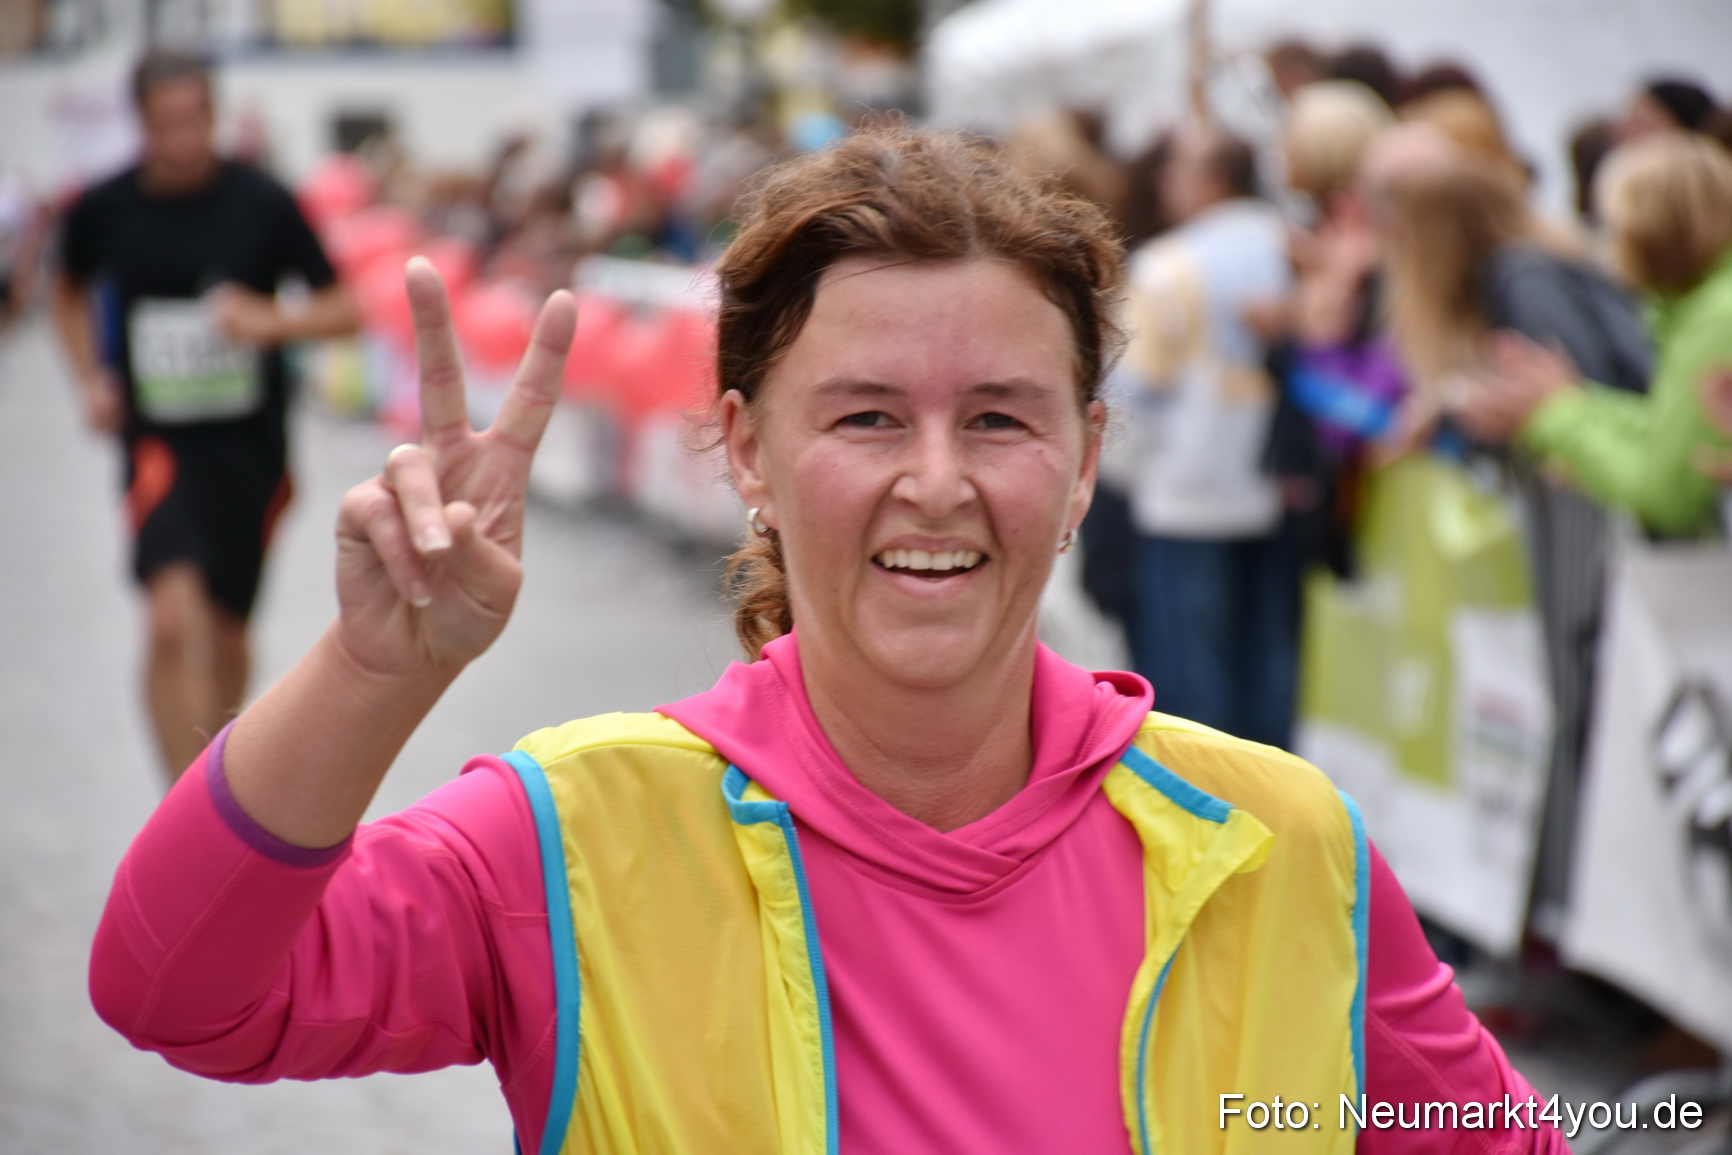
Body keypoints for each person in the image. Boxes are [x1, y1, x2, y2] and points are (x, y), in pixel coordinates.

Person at [89, 126, 1564, 1154]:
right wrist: (372, 671)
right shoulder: (572, 837)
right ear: (744, 449)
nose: (938, 479)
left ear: (1087, 455)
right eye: (865, 416)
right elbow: (174, 991)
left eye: (1000, 415)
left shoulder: (1276, 838)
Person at [52, 50, 359, 780]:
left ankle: (211, 781)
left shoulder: (263, 201)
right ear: (142, 123)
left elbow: (345, 308)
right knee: (167, 619)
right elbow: (64, 291)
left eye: (197, 121)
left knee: (225, 633)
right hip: (158, 445)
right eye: (168, 125)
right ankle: (179, 806)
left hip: (250, 451)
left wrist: (268, 321)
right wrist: (91, 379)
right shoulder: (104, 208)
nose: (185, 140)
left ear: (214, 116)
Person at [1379, 149, 1653, 937]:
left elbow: (1567, 397)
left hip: (1592, 527)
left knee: (1577, 715)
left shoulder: (1524, 280)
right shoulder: (1535, 266)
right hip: (1595, 522)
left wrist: (1476, 406)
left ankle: (1573, 927)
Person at [1119, 124, 1300, 748]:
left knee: (1193, 685)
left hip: (1187, 486)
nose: (1165, 184)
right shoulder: (1298, 251)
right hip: (1284, 483)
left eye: (1179, 170)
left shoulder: (1170, 265)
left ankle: (1212, 817)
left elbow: (1131, 389)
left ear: (1212, 181)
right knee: (1271, 664)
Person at [1454, 132, 1732, 539]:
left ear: (1650, 232)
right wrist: (1571, 405)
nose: (1608, 249)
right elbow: (1670, 431)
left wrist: (1553, 415)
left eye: (1615, 229)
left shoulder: (1716, 317)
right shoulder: (1697, 308)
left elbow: (1667, 492)